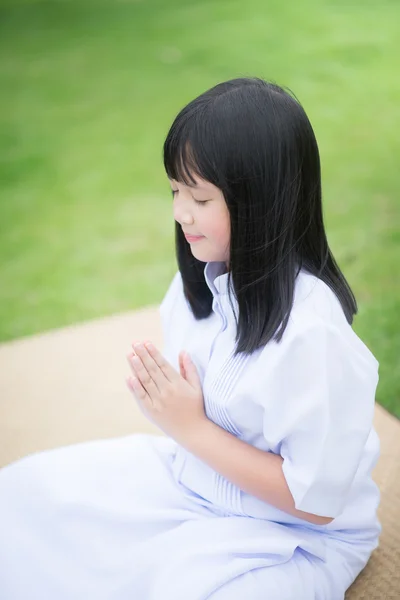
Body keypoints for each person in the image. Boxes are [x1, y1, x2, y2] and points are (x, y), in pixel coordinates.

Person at [0, 77, 380, 600]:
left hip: (291, 535)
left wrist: (188, 426)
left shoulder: (314, 335)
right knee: (22, 495)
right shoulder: (198, 284)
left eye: (199, 197)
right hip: (190, 483)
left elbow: (315, 501)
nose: (181, 213)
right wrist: (179, 423)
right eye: (175, 190)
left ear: (261, 203)